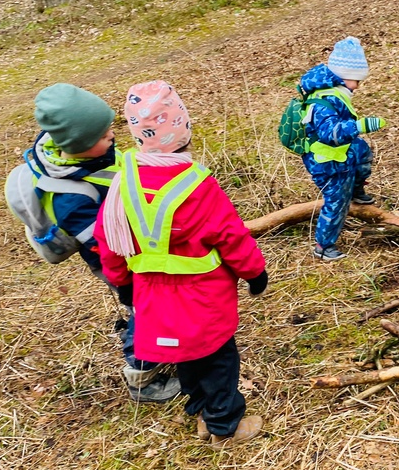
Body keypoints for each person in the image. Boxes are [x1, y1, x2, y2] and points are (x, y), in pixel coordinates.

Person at [95, 80, 268, 449]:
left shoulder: (124, 181)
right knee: (218, 359)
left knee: (185, 356)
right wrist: (255, 272)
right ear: (183, 129)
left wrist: (122, 282)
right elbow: (231, 236)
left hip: (153, 298)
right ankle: (224, 426)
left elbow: (107, 239)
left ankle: (201, 411)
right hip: (204, 298)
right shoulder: (199, 185)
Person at [31, 83, 179, 403]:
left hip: (135, 245)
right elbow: (105, 246)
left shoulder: (92, 155)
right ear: (79, 144)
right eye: (102, 135)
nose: (112, 135)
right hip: (119, 260)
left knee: (154, 302)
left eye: (109, 128)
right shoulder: (71, 201)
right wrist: (130, 278)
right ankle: (142, 377)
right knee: (146, 309)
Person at [299, 37, 386, 261]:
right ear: (342, 76)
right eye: (355, 80)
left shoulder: (336, 93)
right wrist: (360, 126)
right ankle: (323, 246)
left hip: (340, 154)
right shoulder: (323, 101)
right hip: (326, 162)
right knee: (337, 202)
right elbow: (331, 134)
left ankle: (356, 190)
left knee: (362, 150)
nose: (357, 86)